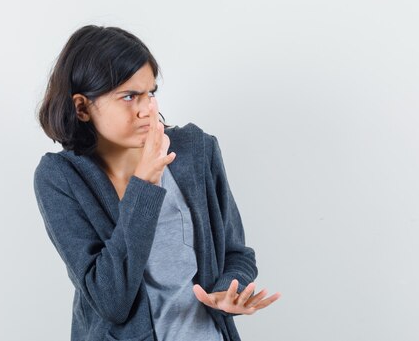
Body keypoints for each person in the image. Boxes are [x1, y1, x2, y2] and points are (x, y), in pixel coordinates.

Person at [33, 25, 280, 341]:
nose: (146, 109)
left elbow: (237, 254)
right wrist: (144, 184)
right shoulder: (61, 178)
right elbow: (111, 302)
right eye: (129, 96)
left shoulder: (196, 151)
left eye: (150, 93)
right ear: (82, 107)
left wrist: (227, 292)